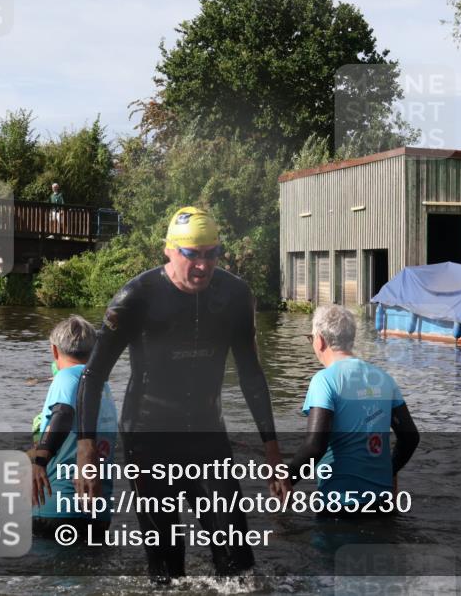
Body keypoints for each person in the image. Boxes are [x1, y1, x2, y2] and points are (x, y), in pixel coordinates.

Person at [74, 206, 289, 582]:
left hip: (207, 430)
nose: (203, 266)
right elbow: (92, 375)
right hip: (148, 434)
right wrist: (86, 448)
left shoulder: (236, 295)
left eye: (212, 254)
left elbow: (252, 374)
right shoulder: (135, 298)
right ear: (169, 251)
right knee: (167, 561)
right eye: (193, 254)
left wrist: (272, 448)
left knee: (238, 558)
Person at [284, 305, 419, 513]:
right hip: (381, 504)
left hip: (339, 503)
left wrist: (286, 479)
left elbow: (315, 446)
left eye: (310, 339)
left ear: (319, 340)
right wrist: (389, 471)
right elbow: (410, 438)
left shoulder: (324, 381)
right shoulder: (383, 378)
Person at [31, 316, 118, 541]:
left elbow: (63, 414)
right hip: (98, 510)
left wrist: (39, 460)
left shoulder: (65, 378)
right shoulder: (103, 386)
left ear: (54, 350)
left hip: (58, 508)